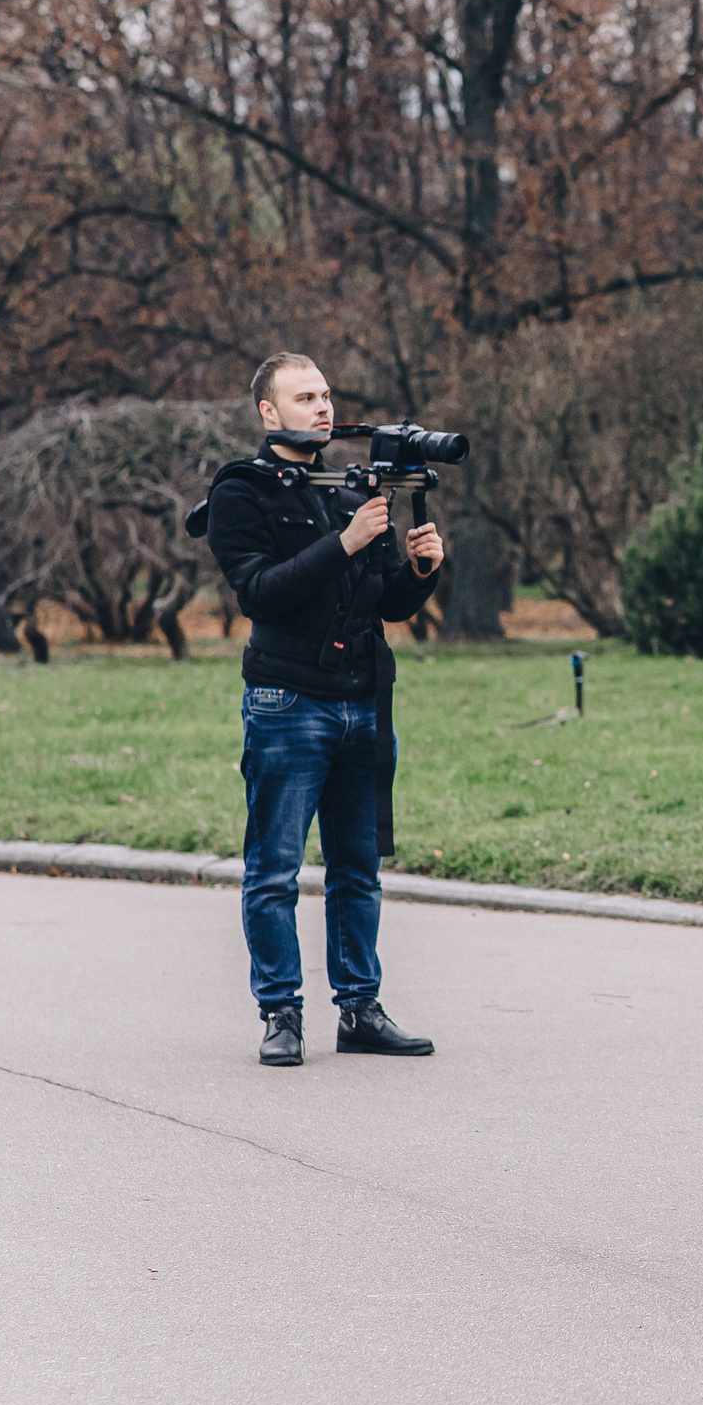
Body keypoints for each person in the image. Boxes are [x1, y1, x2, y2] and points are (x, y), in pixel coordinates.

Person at [205, 354, 446, 1068]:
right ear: (268, 411)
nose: (321, 406)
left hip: (362, 698)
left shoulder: (350, 491)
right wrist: (346, 541)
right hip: (287, 700)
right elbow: (260, 591)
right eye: (304, 396)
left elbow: (384, 602)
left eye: (326, 394)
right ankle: (280, 1011)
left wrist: (421, 569)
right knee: (275, 867)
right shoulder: (239, 489)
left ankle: (360, 1007)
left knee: (357, 866)